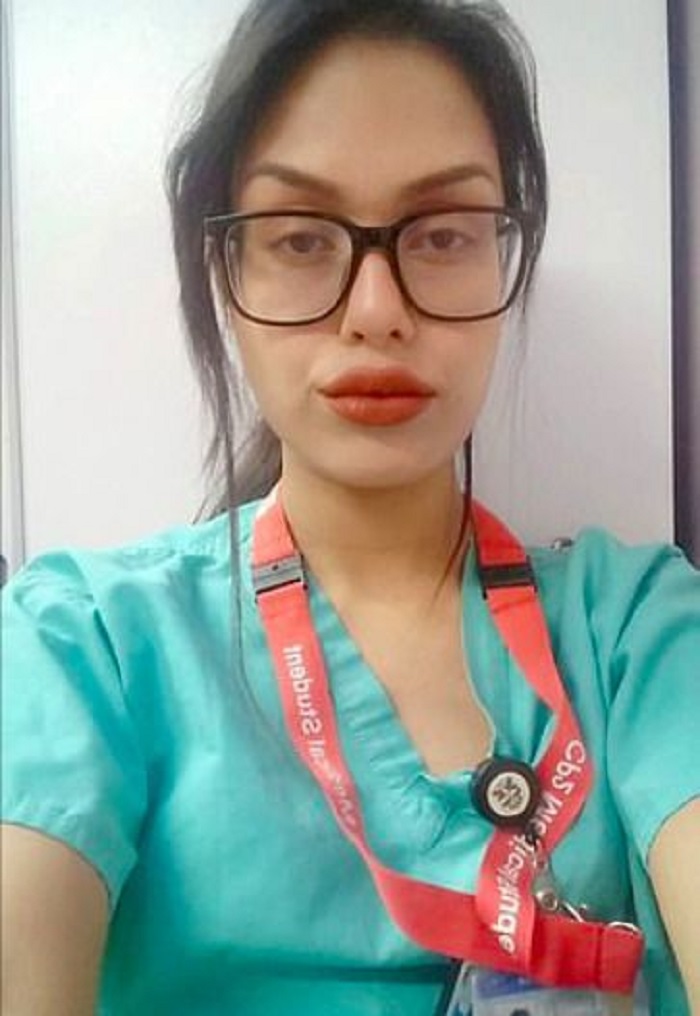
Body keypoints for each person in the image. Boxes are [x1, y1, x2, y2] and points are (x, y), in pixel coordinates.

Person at [2, 1, 699, 1014]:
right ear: (224, 276)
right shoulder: (82, 645)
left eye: (444, 233)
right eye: (299, 238)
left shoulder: (636, 629)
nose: (377, 310)